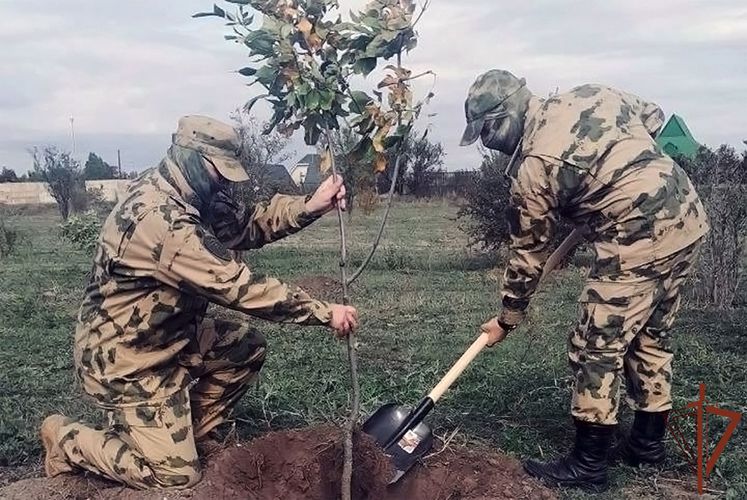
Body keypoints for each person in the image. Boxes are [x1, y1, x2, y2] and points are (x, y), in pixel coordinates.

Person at [39, 115, 358, 489]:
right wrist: (324, 312)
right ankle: (66, 439)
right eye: (217, 169)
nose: (223, 179)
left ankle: (190, 434)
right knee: (175, 476)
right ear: (187, 155)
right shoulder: (159, 219)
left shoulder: (193, 193)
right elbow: (238, 287)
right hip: (126, 360)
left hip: (169, 338)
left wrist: (310, 205)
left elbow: (246, 224)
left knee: (243, 346)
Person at [461, 70, 709, 492]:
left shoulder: (535, 165)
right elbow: (653, 116)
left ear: (505, 117)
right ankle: (646, 446)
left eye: (487, 133)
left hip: (638, 239)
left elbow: (528, 254)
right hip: (687, 219)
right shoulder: (592, 94)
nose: (489, 144)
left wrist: (507, 318)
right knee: (649, 336)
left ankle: (588, 464)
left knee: (596, 345)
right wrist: (614, 170)